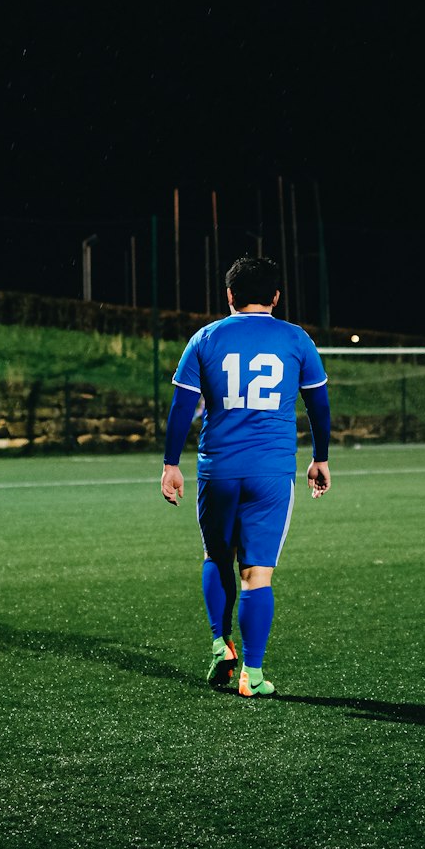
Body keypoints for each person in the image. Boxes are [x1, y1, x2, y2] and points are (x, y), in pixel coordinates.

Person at [160, 254, 331, 697]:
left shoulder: (206, 338)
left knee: (216, 558)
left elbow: (182, 407)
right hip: (271, 473)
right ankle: (252, 675)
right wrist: (321, 458)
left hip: (218, 470)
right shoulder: (297, 340)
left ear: (230, 295)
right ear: (276, 296)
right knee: (257, 573)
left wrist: (170, 463)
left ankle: (221, 644)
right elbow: (318, 405)